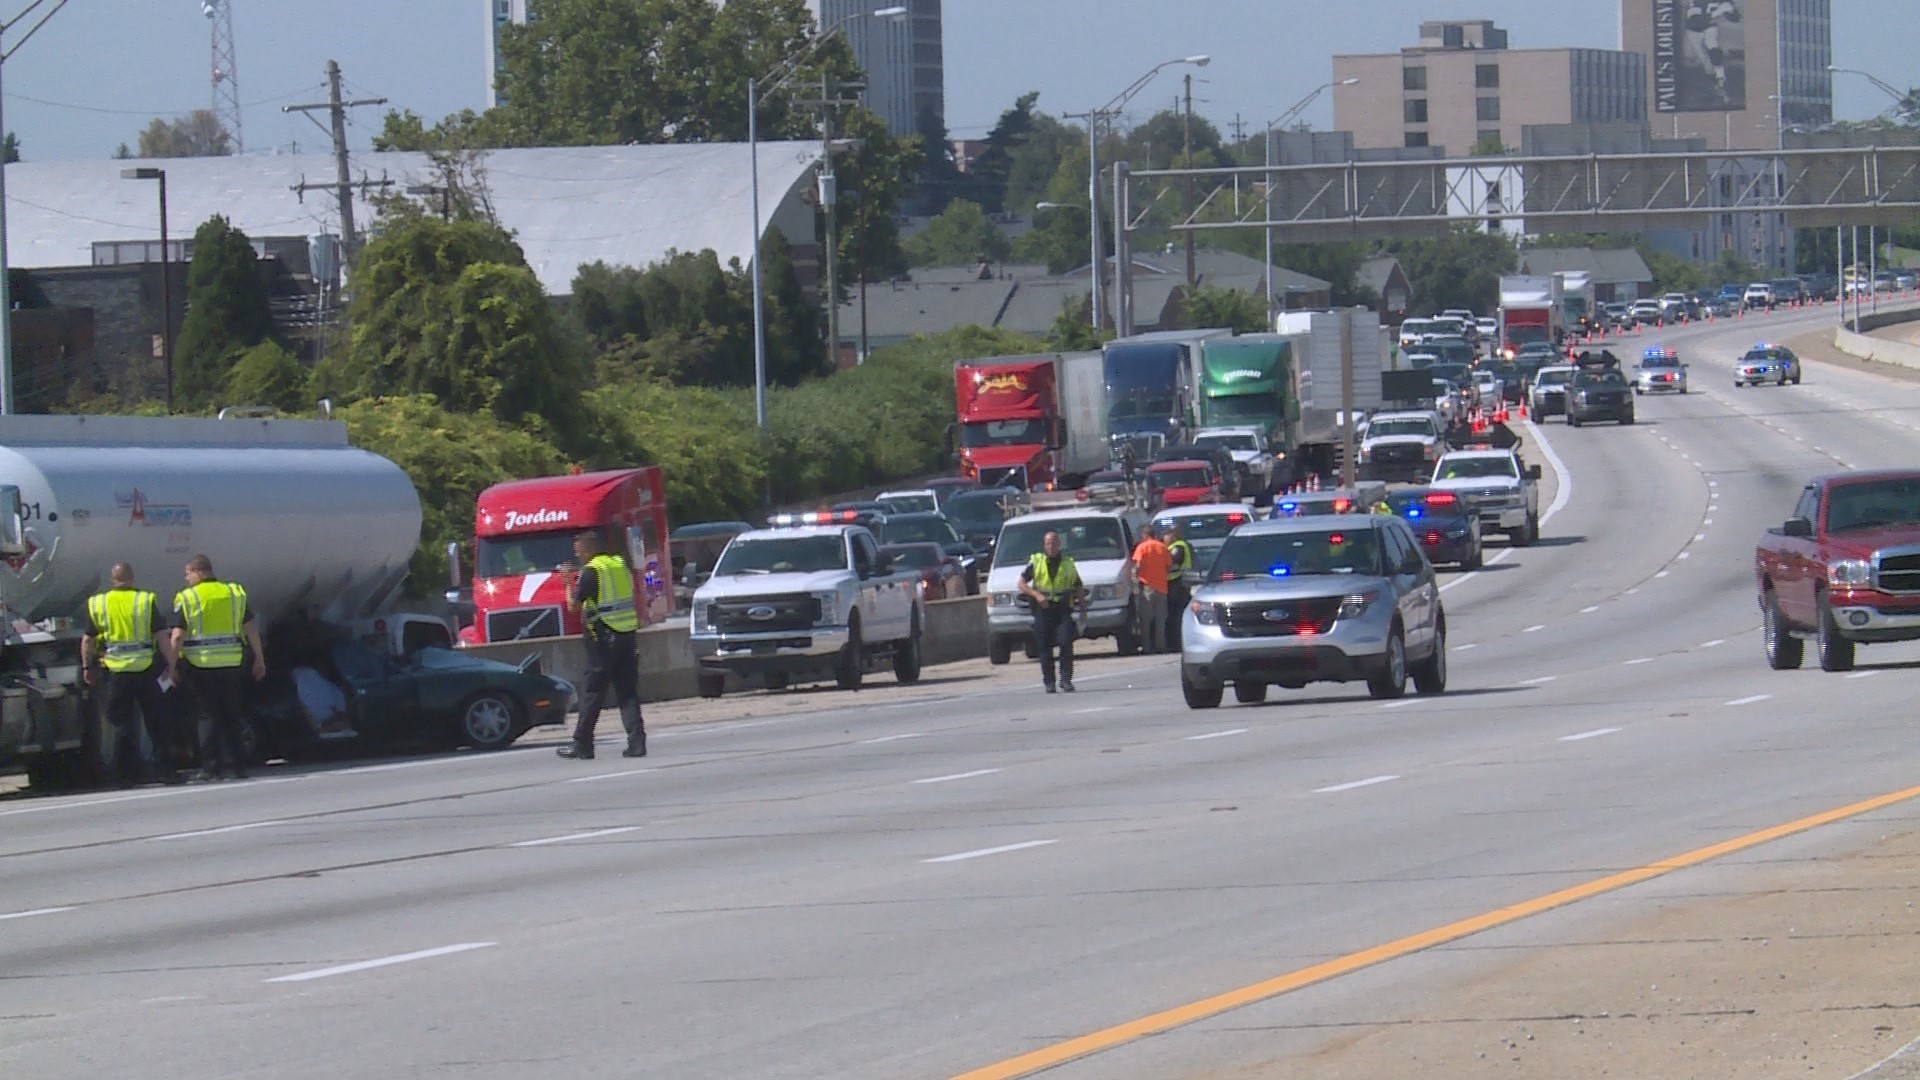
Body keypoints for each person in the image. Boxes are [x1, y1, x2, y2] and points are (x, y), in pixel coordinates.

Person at [164, 554, 265, 782]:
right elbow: (250, 628)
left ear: (199, 572)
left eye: (188, 573)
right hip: (231, 663)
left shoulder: (188, 597)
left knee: (207, 716)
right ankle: (239, 766)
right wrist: (259, 657)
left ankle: (212, 768)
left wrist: (172, 665)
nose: (186, 578)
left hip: (201, 665)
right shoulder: (234, 593)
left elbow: (177, 636)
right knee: (232, 714)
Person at [81, 563, 181, 786]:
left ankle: (123, 774)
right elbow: (162, 637)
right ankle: (166, 771)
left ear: (112, 579)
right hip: (145, 669)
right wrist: (172, 665)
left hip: (116, 671)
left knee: (119, 722)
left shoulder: (99, 603)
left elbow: (88, 640)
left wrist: (87, 667)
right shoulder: (145, 600)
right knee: (155, 721)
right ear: (132, 578)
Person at [557, 532, 646, 760]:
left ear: (588, 549)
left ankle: (583, 745)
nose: (577, 555)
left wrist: (567, 581)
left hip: (602, 639)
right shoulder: (619, 565)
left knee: (593, 693)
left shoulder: (591, 571)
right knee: (627, 692)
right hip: (627, 634)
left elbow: (573, 607)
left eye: (578, 551)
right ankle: (637, 743)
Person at [1018, 531, 1086, 694]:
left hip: (1062, 609)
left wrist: (1083, 610)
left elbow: (1078, 587)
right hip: (1043, 609)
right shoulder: (1037, 562)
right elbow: (1021, 584)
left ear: (1059, 544)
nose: (1051, 546)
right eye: (1048, 543)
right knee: (1044, 646)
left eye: (1054, 543)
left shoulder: (1068, 563)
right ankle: (1049, 682)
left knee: (1065, 642)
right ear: (1044, 545)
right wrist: (1036, 595)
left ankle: (1066, 680)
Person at [1130, 523, 1173, 654]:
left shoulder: (1142, 547)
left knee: (1145, 620)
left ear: (1145, 535)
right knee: (1161, 620)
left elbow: (1138, 565)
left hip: (1147, 588)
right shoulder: (1162, 547)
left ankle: (1147, 647)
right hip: (1162, 588)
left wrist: (1135, 578)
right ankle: (1161, 646)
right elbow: (1169, 566)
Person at [1164, 523, 1195, 650]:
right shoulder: (1182, 545)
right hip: (1180, 584)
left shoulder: (1178, 547)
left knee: (1175, 615)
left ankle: (1176, 643)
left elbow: (1171, 563)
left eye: (1167, 535)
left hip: (1177, 584)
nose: (1165, 538)